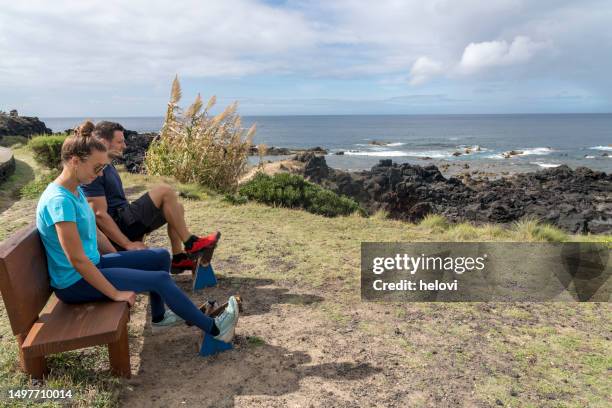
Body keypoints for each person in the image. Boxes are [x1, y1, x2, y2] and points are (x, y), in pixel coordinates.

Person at [35, 121, 238, 342]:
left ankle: (159, 318)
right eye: (97, 167)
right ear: (75, 161)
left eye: (103, 168)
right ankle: (217, 331)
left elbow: (95, 232)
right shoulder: (59, 201)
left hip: (93, 266)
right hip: (74, 283)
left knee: (159, 256)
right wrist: (115, 293)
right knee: (160, 279)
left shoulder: (74, 191)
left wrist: (123, 257)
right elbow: (77, 260)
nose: (100, 174)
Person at [81, 121, 217, 272]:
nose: (125, 146)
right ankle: (191, 243)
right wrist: (127, 244)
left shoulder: (107, 165)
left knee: (176, 208)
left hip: (125, 219)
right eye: (120, 142)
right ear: (102, 142)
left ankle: (178, 258)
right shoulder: (92, 169)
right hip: (119, 225)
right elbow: (99, 215)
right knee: (165, 191)